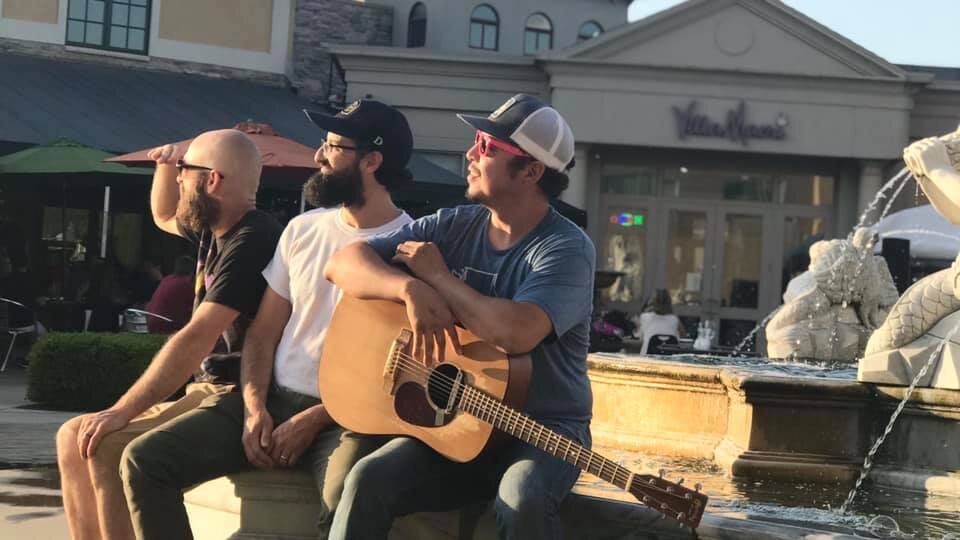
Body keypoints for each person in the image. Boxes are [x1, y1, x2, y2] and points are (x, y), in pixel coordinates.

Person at [120, 100, 416, 540]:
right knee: (143, 462)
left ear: (371, 161)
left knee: (346, 503)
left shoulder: (411, 248)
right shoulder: (303, 229)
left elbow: (394, 373)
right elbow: (262, 334)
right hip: (272, 399)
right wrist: (255, 408)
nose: (319, 156)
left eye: (333, 146)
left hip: (346, 419)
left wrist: (315, 418)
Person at [323, 93, 596, 540]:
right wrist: (407, 286)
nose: (470, 154)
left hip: (541, 429)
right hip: (456, 421)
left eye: (487, 148)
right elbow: (343, 263)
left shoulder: (566, 249)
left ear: (530, 172)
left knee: (524, 496)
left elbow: (516, 333)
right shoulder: (453, 224)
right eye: (476, 142)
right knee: (368, 478)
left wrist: (440, 279)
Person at [56, 129, 282, 540]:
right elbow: (163, 216)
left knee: (107, 443)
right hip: (208, 390)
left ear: (211, 179)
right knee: (72, 436)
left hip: (237, 394)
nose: (180, 180)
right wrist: (164, 165)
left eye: (185, 171)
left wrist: (123, 410)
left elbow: (200, 334)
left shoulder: (253, 238)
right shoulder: (216, 228)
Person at [144, 255, 196, 334]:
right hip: (166, 325)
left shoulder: (166, 279)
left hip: (151, 322)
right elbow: (195, 307)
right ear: (192, 272)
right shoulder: (185, 284)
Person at [634, 289, 685, 354]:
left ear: (652, 303)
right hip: (670, 359)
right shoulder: (674, 319)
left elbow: (639, 337)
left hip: (647, 357)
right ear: (669, 303)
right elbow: (683, 336)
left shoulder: (644, 317)